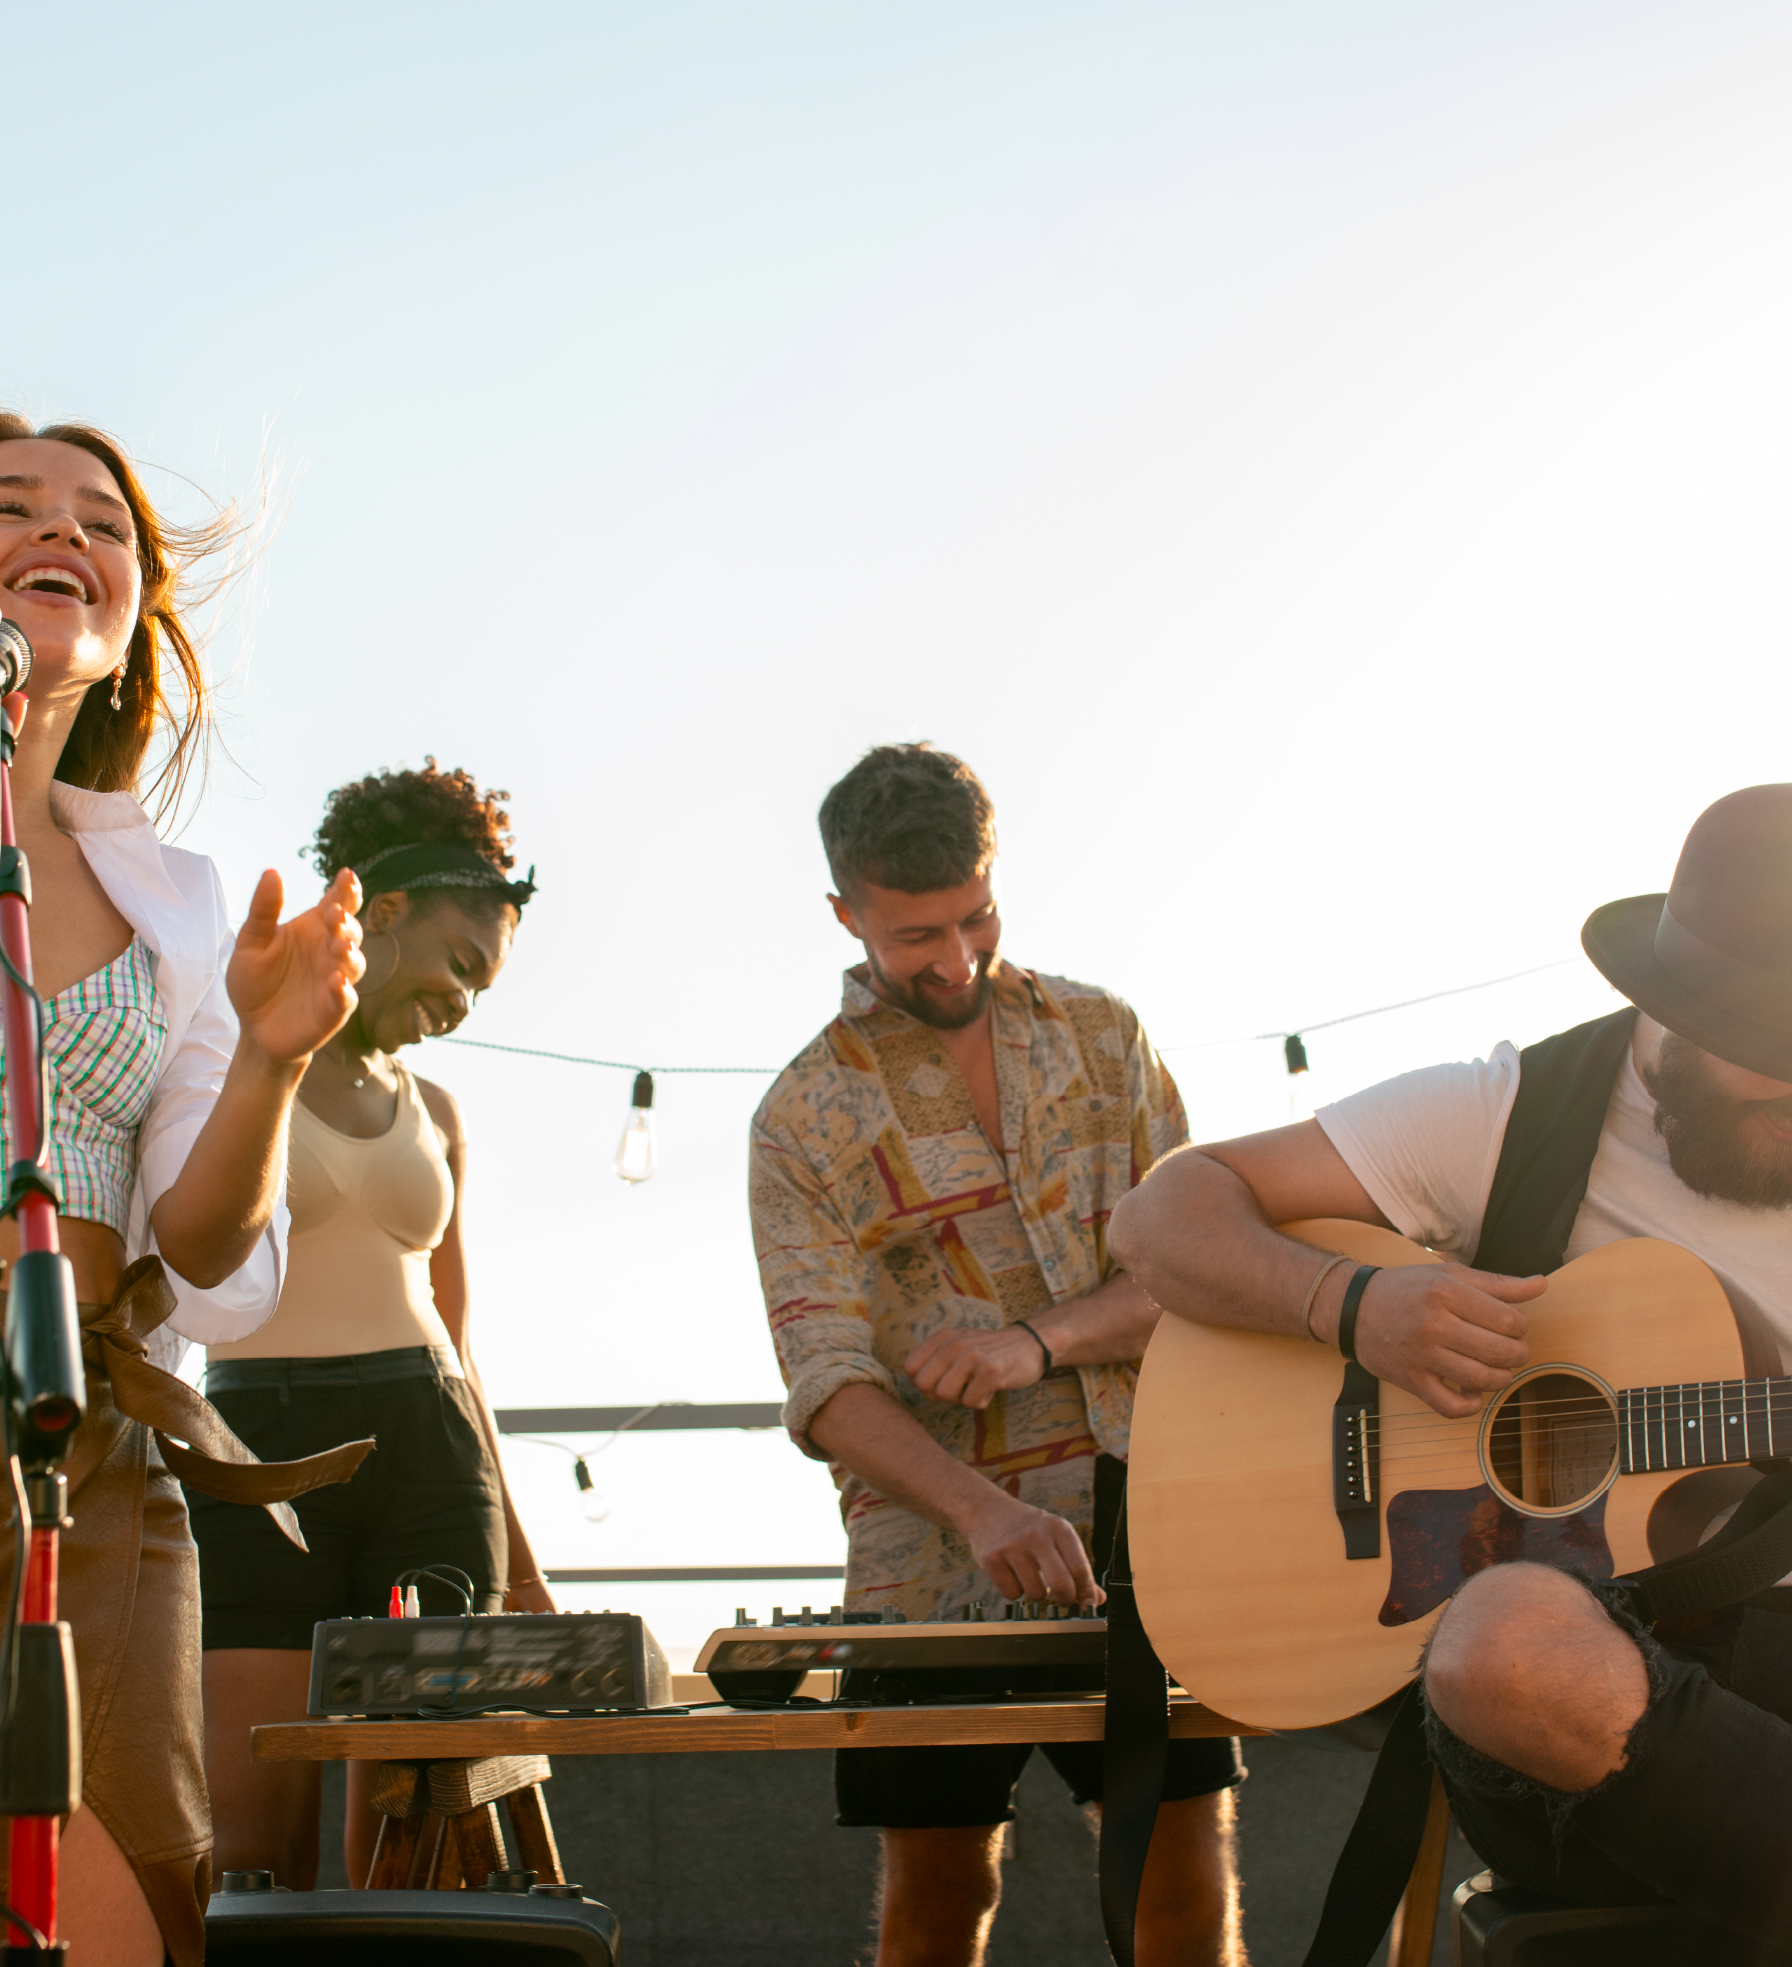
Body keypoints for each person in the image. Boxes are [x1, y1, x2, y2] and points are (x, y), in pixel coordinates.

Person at [1108, 784, 1792, 1954]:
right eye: (1765, 1064)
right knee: (1499, 1636)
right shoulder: (1510, 1111)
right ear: (1669, 1012)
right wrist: (1350, 1302)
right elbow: (1162, 1216)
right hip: (1599, 1695)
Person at [749, 743, 1246, 1967]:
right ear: (844, 912)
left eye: (975, 916)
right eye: (916, 934)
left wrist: (1037, 1341)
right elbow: (823, 1382)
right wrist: (982, 1513)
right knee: (936, 1902)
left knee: (1178, 1894)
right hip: (925, 1558)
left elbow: (1202, 1267)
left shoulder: (1103, 1034)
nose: (956, 958)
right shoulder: (799, 1114)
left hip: (1149, 1522)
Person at [0, 414, 368, 1966]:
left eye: (106, 524)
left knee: (137, 1879)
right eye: (14, 507)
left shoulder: (175, 897)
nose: (64, 533)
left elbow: (213, 1249)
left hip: (91, 1428)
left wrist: (278, 1054)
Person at [190, 762, 551, 1890]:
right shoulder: (239, 1051)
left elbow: (457, 1330)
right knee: (251, 1855)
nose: (465, 998)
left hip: (429, 1457)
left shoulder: (435, 1111)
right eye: (461, 962)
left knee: (415, 1850)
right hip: (256, 1459)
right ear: (382, 915)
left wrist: (527, 1562)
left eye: (484, 986)